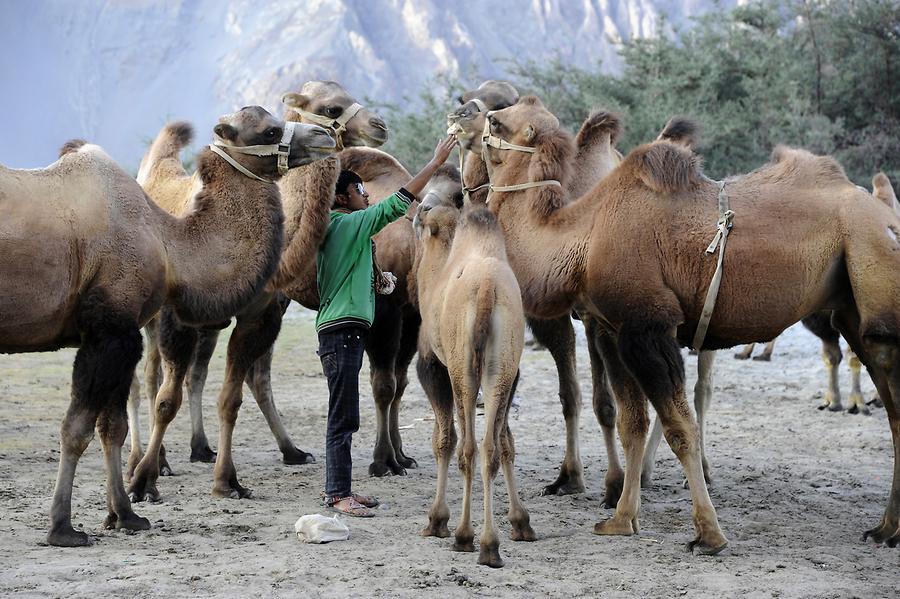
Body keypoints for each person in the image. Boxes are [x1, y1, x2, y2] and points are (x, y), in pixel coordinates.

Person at [316, 136, 458, 517]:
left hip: (342, 329)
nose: (367, 196)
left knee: (345, 415)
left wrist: (378, 281)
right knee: (342, 417)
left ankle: (341, 489)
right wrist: (435, 161)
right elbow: (399, 202)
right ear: (344, 198)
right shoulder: (346, 225)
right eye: (361, 191)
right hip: (340, 332)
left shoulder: (341, 230)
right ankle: (337, 495)